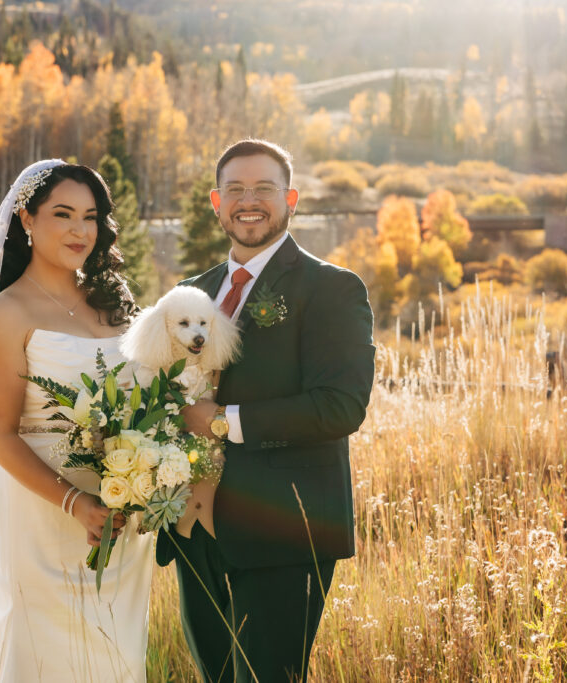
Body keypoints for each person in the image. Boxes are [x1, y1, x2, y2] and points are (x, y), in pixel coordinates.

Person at [0, 161, 152, 682]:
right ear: (27, 219)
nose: (80, 230)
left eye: (90, 217)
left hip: (121, 522)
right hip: (43, 518)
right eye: (63, 214)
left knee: (118, 660)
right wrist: (76, 502)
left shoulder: (115, 307)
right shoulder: (6, 315)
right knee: (43, 657)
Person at [159, 139, 376, 682]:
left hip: (284, 529)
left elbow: (341, 406)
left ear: (290, 199)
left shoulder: (331, 289)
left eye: (264, 188)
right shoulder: (190, 293)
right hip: (195, 532)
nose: (248, 200)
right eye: (235, 189)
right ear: (216, 202)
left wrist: (221, 421)